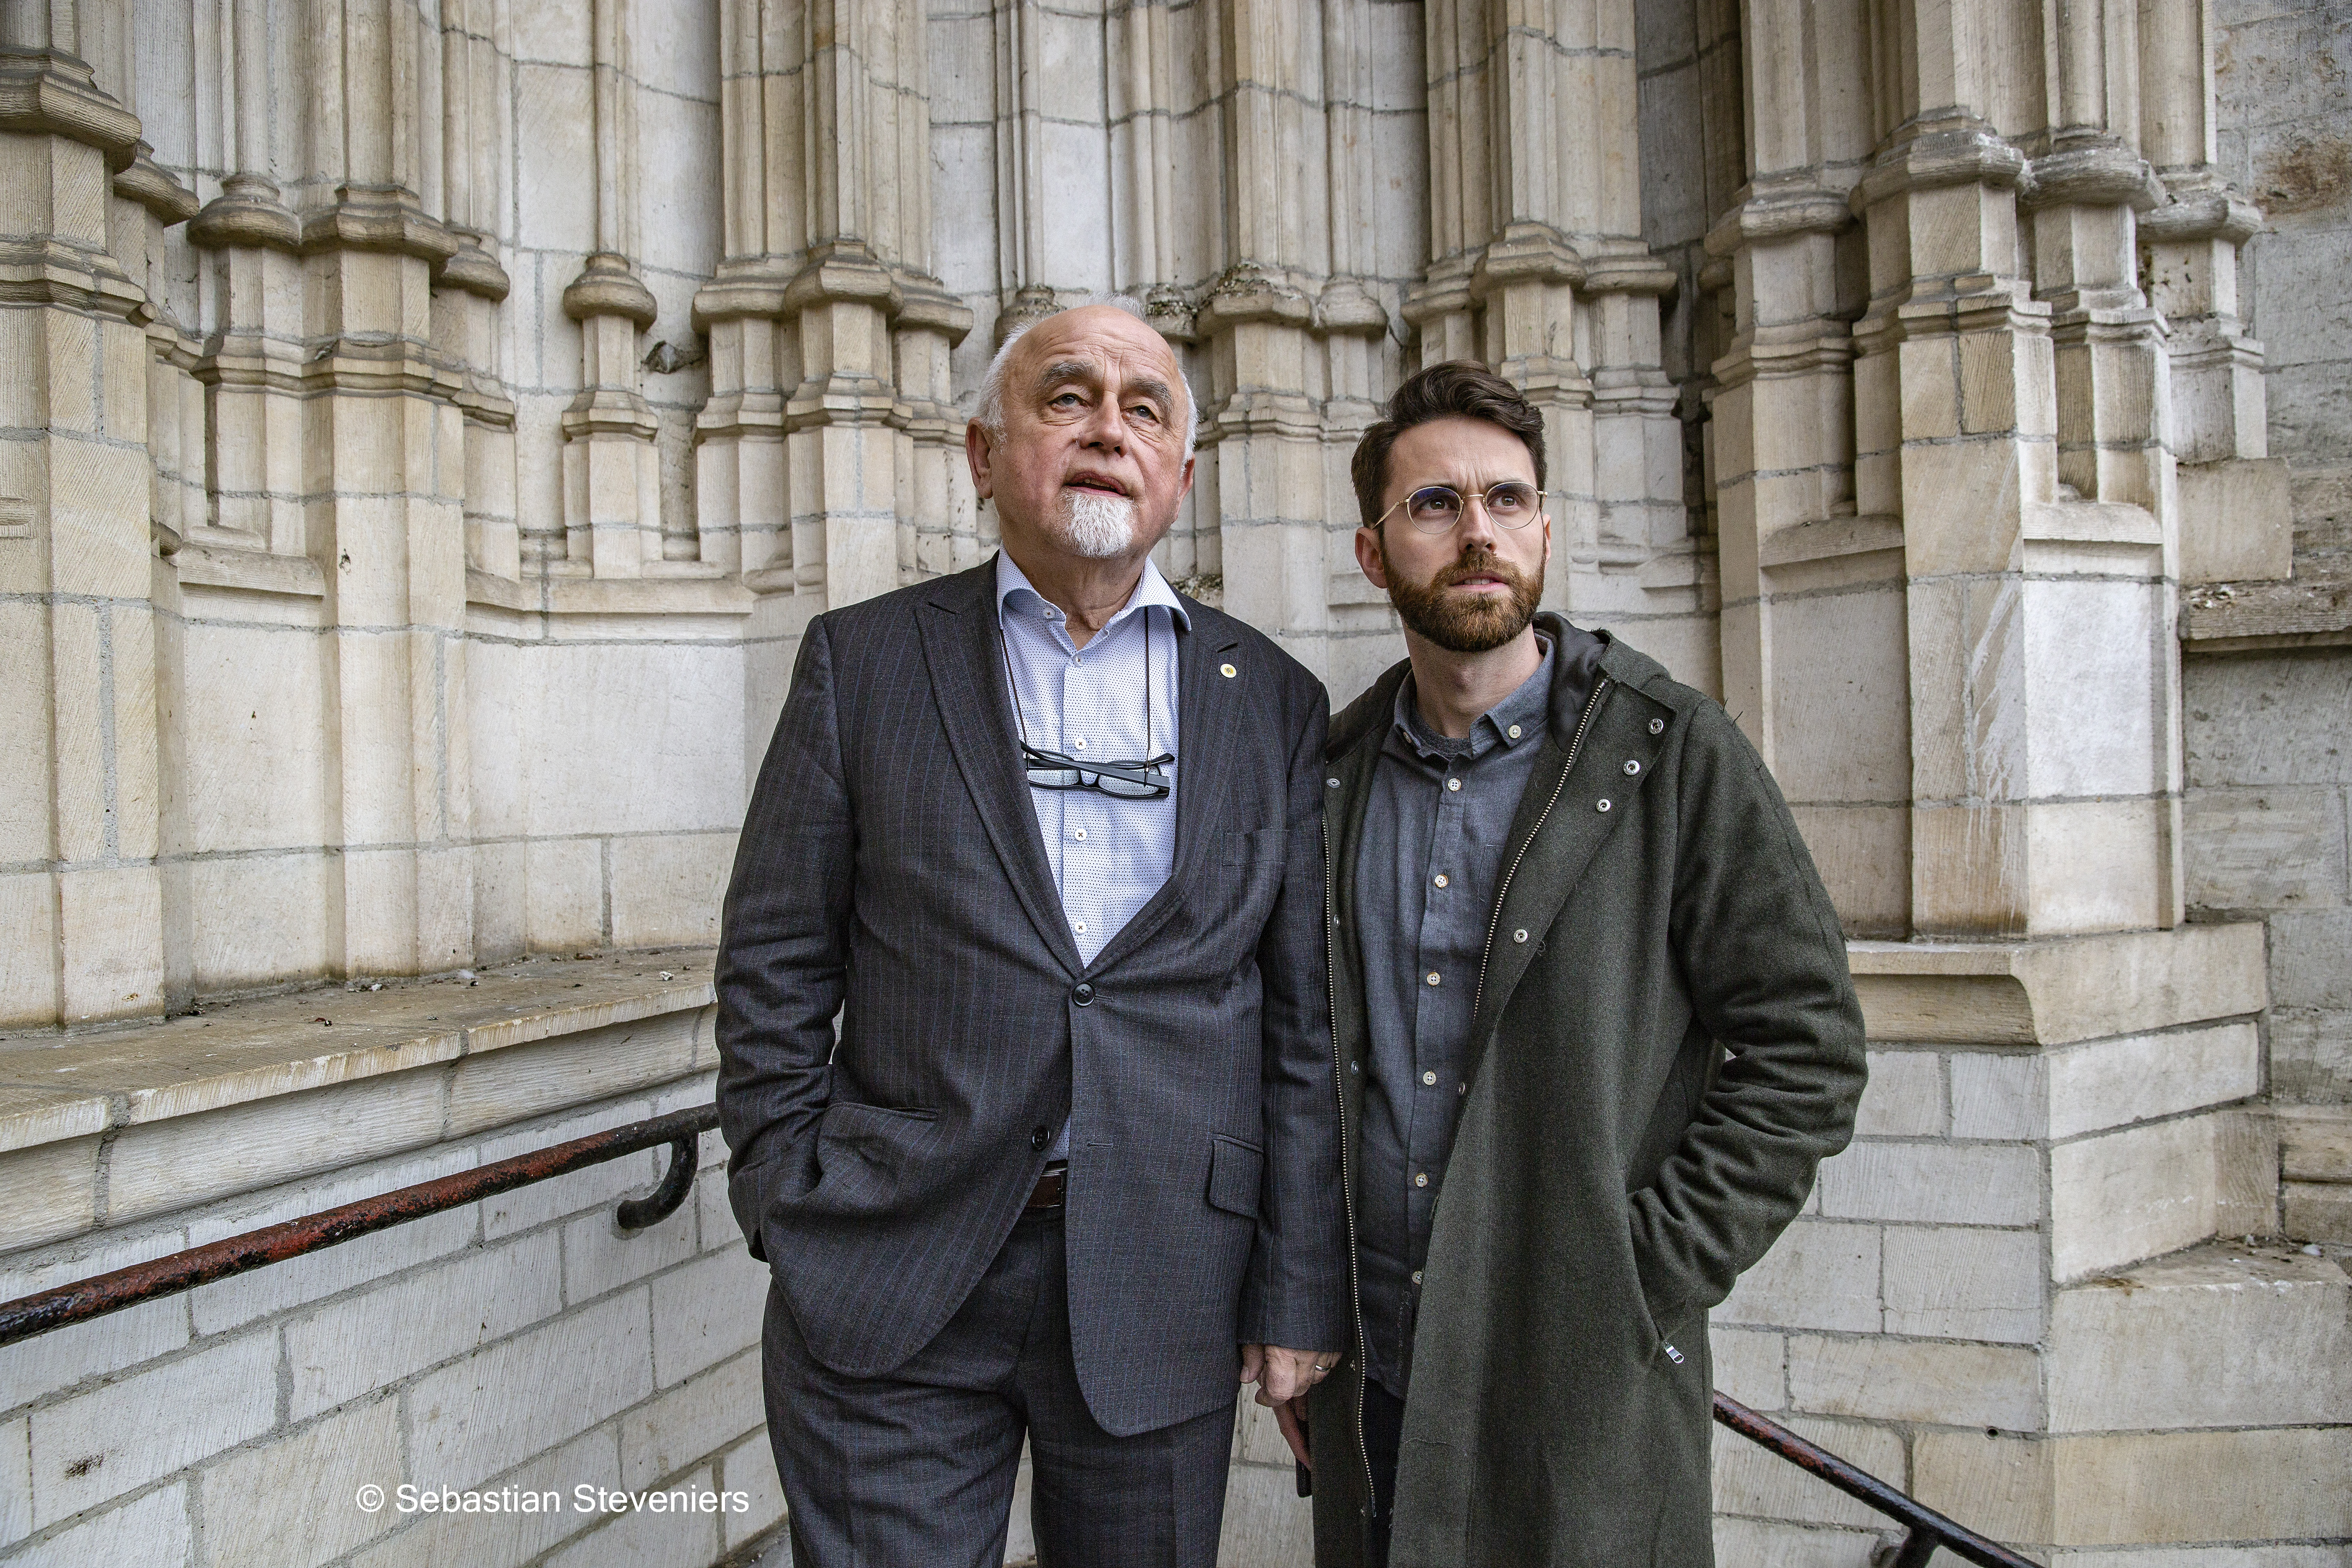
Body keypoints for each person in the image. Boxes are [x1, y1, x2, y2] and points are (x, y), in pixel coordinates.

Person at [714, 298, 1348, 1568]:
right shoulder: (865, 661)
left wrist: (1294, 1289)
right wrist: (789, 1197)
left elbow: (1300, 1025)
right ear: (983, 454)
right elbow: (775, 959)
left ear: (1182, 470)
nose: (1107, 430)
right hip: (894, 1272)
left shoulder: (1274, 700)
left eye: (1143, 409)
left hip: (1167, 1276)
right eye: (1066, 398)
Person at [1295, 361, 1867, 1566]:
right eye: (1437, 505)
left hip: (1585, 1389)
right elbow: (1295, 1065)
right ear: (1373, 551)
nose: (1479, 534)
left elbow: (1807, 1050)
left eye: (1508, 500)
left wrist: (1635, 1269)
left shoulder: (1668, 754)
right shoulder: (1332, 779)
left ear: (1545, 528)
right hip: (1382, 1384)